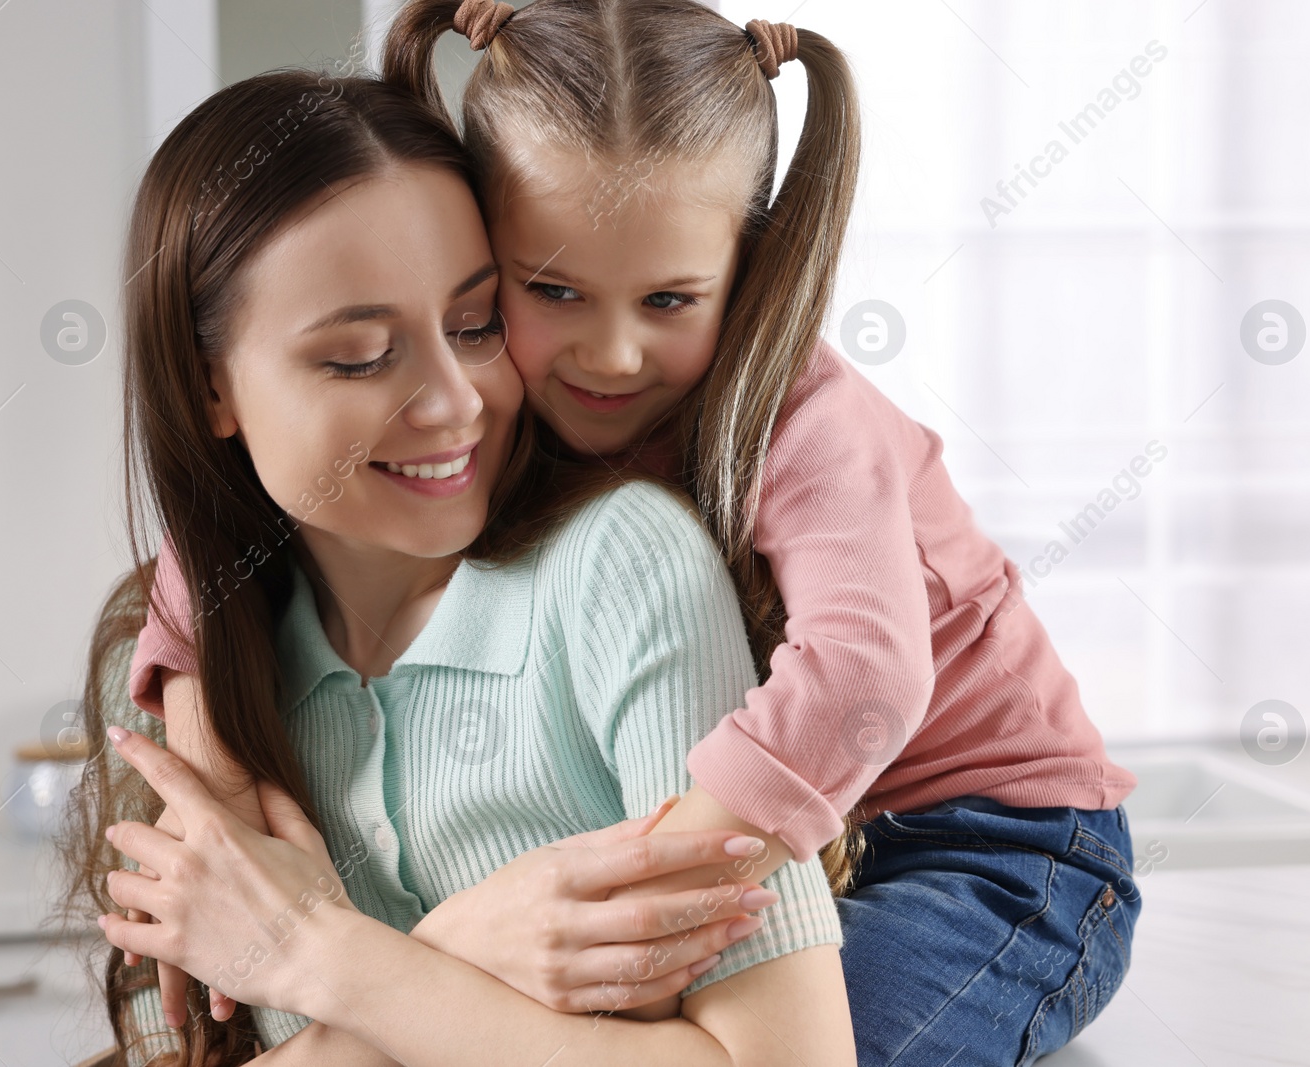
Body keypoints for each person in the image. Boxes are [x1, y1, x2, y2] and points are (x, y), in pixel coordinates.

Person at [130, 0, 1143, 1061]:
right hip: (801, 836)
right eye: (551, 289)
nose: (610, 355)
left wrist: (616, 884)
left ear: (743, 269)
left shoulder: (802, 417)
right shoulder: (490, 403)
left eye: (668, 298)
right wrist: (208, 759)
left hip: (996, 844)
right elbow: (225, 515)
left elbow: (864, 679)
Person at [63, 67, 850, 1066]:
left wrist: (324, 958)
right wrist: (457, 952)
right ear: (210, 384)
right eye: (356, 356)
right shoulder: (179, 675)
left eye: (477, 326)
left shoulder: (618, 571)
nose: (453, 402)